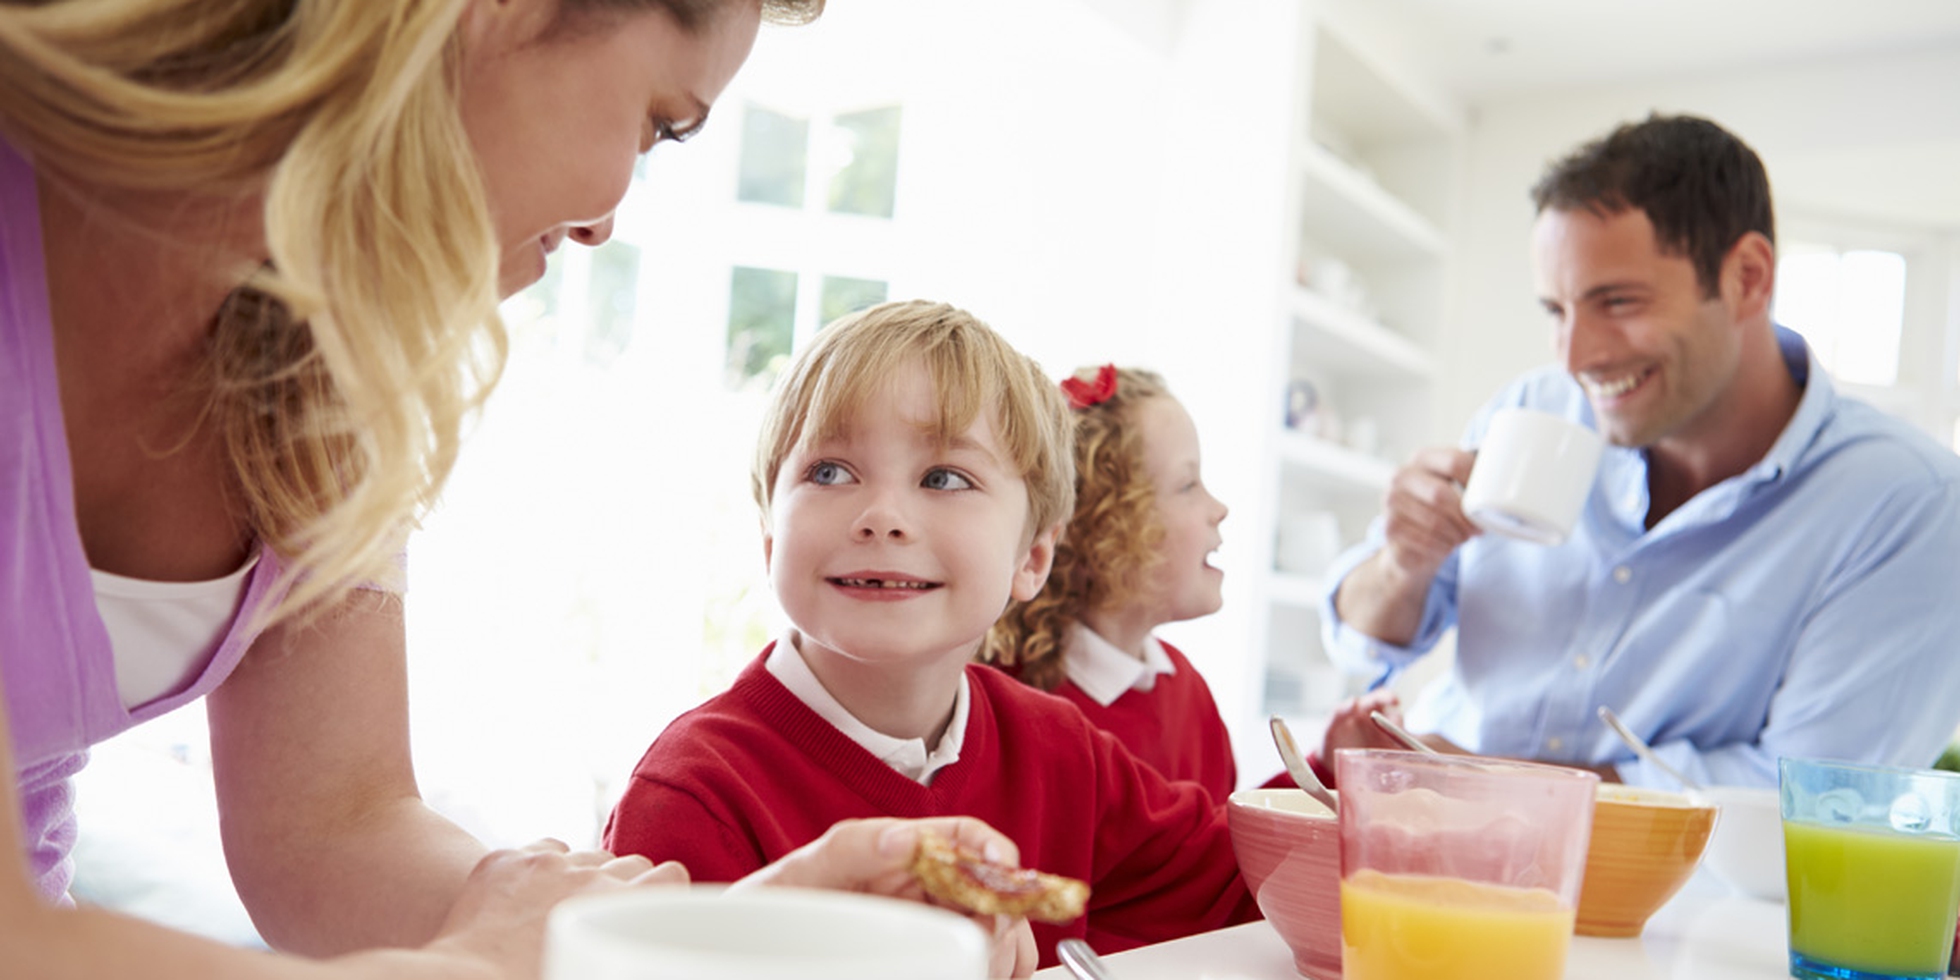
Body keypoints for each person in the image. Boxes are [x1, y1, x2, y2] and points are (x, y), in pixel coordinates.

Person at [0, 1, 1030, 977]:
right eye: (659, 125)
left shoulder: (314, 373)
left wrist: (715, 934)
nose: (605, 223)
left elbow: (332, 826)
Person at [602, 300, 1260, 967]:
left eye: (944, 478)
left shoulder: (1065, 753)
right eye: (829, 472)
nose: (881, 516)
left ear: (1031, 558)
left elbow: (1253, 886)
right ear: (771, 536)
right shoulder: (692, 799)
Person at [1321, 113, 1960, 790]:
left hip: (1672, 896)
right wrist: (1402, 563)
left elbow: (1810, 799)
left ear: (1747, 276)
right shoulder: (1534, 410)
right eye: (1557, 311)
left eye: (1617, 302)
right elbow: (1360, 641)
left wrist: (1471, 781)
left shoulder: (1910, 503)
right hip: (1421, 837)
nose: (1575, 357)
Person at [979, 365, 1240, 800]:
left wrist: (1322, 765)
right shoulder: (1009, 707)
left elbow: (1223, 847)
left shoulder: (1187, 690)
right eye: (1188, 485)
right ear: (1102, 527)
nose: (1220, 508)